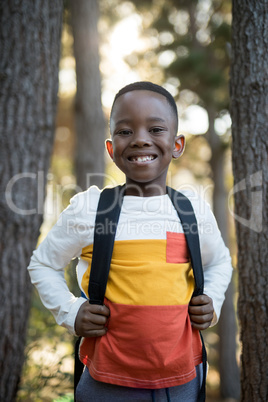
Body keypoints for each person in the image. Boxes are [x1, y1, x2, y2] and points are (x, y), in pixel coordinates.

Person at [28, 81, 233, 401]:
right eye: (125, 131)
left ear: (177, 144)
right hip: (106, 383)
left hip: (183, 382)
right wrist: (71, 312)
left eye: (155, 129)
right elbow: (42, 263)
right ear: (111, 149)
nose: (140, 139)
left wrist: (214, 303)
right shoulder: (90, 208)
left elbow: (220, 261)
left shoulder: (192, 210)